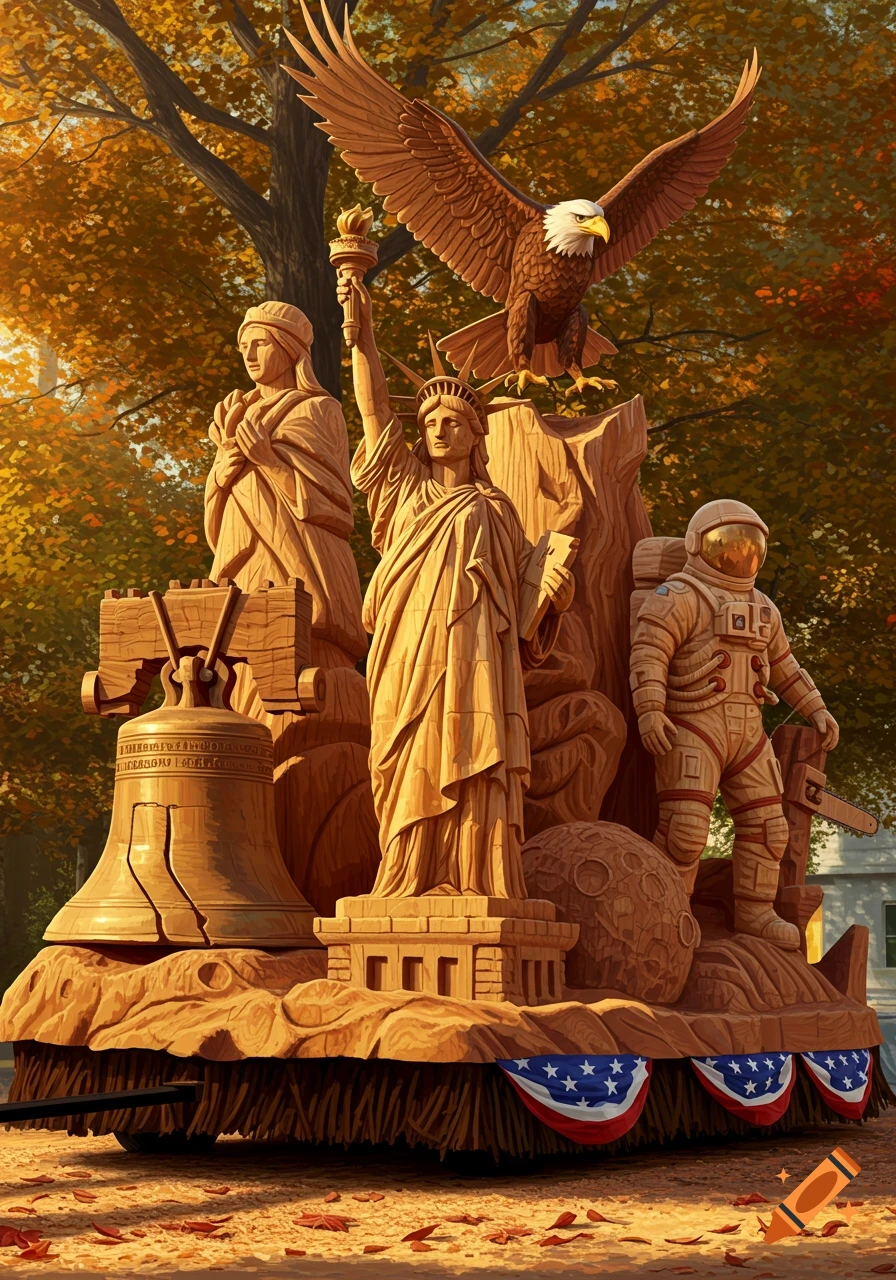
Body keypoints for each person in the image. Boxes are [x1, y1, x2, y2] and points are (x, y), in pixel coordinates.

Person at [338, 274, 574, 898]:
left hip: (475, 658)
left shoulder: (495, 509)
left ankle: (477, 878)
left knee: (476, 755)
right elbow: (371, 408)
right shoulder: (404, 489)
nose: (439, 430)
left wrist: (552, 582)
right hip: (407, 650)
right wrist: (360, 329)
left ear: (476, 434)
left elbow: (526, 601)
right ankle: (408, 876)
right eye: (431, 421)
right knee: (405, 754)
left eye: (454, 421)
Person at [630, 499, 839, 949]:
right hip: (693, 727)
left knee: (769, 829)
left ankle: (755, 912)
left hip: (748, 735)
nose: (738, 555)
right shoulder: (678, 595)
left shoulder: (764, 609)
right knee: (685, 831)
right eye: (727, 544)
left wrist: (816, 708)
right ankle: (670, 915)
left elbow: (786, 666)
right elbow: (648, 655)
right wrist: (650, 710)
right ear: (696, 544)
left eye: (748, 547)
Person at [204, 300, 366, 670]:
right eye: (244, 346)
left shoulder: (318, 409)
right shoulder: (235, 415)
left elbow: (337, 506)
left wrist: (268, 461)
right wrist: (221, 474)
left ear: (288, 347)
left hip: (297, 562)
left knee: (296, 664)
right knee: (234, 664)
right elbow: (218, 519)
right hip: (244, 561)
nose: (250, 355)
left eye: (260, 343)